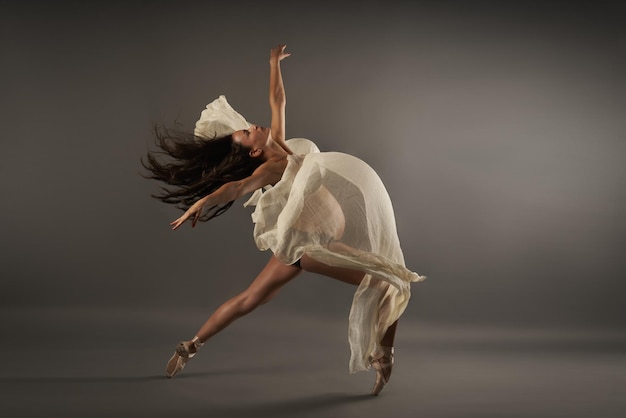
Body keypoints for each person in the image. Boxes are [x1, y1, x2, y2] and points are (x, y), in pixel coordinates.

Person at [142, 44, 425, 395]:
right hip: (311, 246)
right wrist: (202, 201)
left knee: (251, 298)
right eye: (246, 134)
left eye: (245, 128)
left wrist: (273, 63)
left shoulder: (280, 144)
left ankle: (189, 346)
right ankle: (384, 355)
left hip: (310, 242)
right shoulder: (271, 167)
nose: (251, 126)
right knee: (386, 282)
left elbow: (278, 101)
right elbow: (238, 186)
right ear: (255, 151)